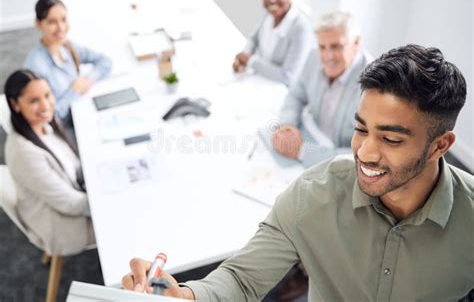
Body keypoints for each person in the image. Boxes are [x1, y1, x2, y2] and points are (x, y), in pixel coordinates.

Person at [122, 44, 473, 301]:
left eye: (391, 139)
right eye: (361, 129)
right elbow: (241, 280)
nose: (364, 152)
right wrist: (186, 296)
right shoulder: (312, 193)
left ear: (440, 146)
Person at [4, 70, 94, 256]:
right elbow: (68, 203)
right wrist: (104, 203)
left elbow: (74, 167)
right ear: (15, 104)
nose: (46, 105)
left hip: (76, 194)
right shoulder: (24, 152)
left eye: (47, 95)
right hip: (63, 226)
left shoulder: (45, 124)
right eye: (34, 100)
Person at [271, 11, 372, 168]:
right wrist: (288, 126)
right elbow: (296, 94)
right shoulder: (313, 56)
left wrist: (302, 152)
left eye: (336, 46)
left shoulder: (375, 87)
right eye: (322, 47)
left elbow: (363, 154)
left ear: (356, 43)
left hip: (338, 166)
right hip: (312, 137)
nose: (327, 56)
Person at [23, 0, 112, 128]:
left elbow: (105, 62)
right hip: (66, 127)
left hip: (84, 110)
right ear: (38, 24)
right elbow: (48, 117)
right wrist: (75, 91)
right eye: (52, 22)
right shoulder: (36, 68)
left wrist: (88, 80)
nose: (61, 28)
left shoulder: (67, 46)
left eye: (64, 19)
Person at [232, 0, 315, 86]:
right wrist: (242, 57)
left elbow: (288, 76)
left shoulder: (301, 29)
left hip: (284, 93)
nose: (271, 0)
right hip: (263, 83)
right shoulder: (269, 14)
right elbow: (254, 38)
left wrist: (250, 61)